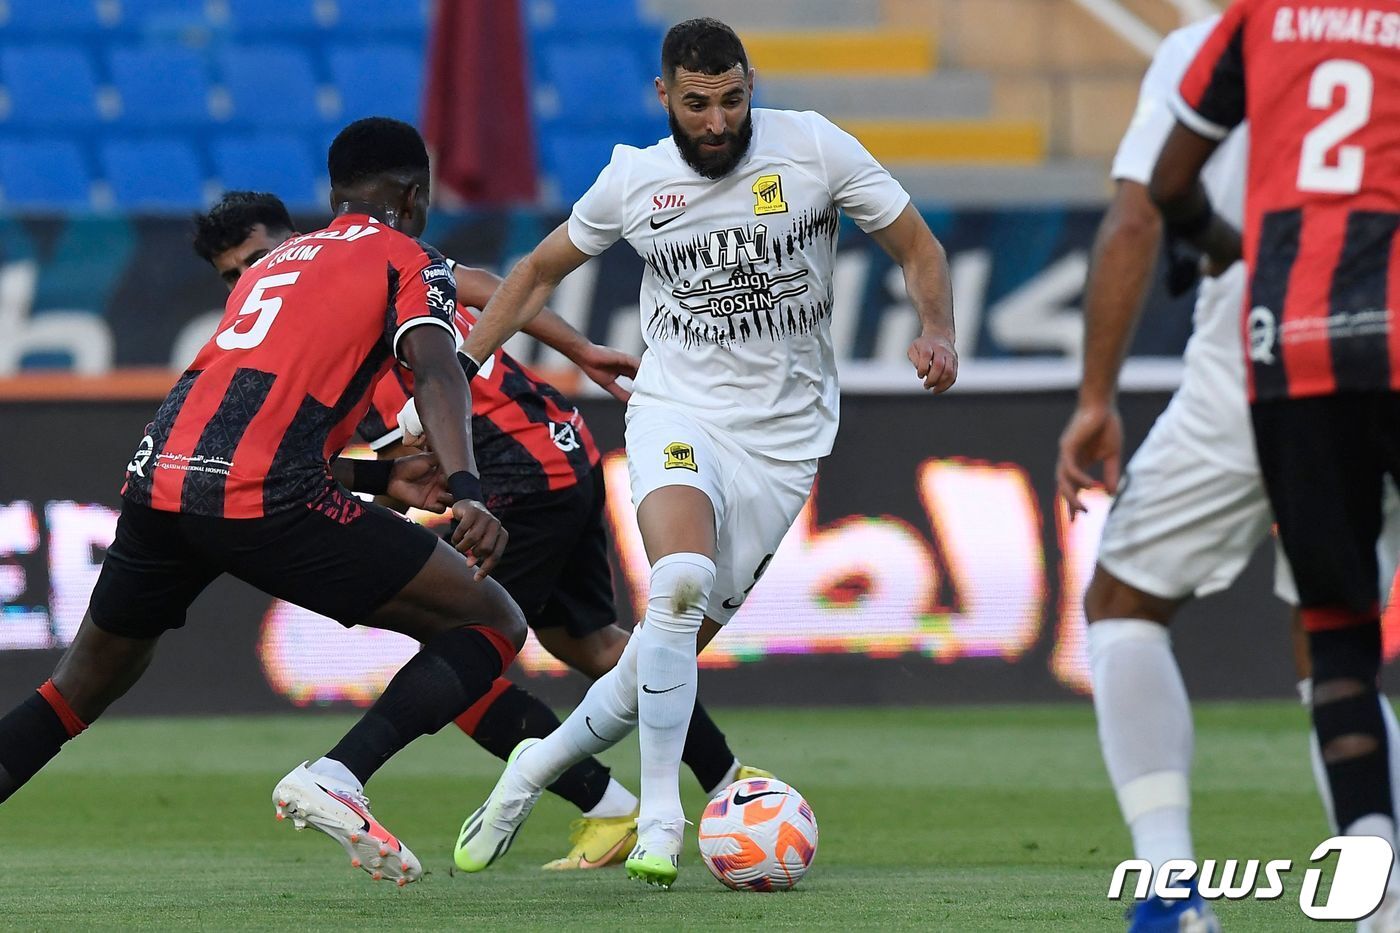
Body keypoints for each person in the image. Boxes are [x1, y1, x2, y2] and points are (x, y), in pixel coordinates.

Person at [452, 17, 958, 888]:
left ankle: (529, 771)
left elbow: (916, 244)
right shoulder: (634, 180)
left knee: (662, 651)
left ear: (749, 82)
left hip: (786, 441)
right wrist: (463, 365)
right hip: (676, 409)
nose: (718, 121)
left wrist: (937, 328)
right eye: (698, 104)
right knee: (677, 579)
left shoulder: (814, 149)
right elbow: (535, 272)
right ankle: (659, 819)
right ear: (665, 98)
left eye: (731, 99)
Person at [0, 117, 522, 887]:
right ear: (414, 197)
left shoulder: (274, 264)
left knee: (83, 681)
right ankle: (339, 773)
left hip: (160, 476)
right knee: (492, 618)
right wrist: (468, 487)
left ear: (335, 194)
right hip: (260, 495)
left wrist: (381, 480)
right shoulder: (408, 257)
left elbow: (250, 419)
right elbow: (437, 369)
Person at [192, 191, 770, 871]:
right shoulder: (356, 281)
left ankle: (608, 804)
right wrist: (578, 349)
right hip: (562, 451)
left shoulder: (342, 282)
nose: (248, 279)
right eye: (232, 275)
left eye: (257, 258)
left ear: (294, 241)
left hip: (520, 478)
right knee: (593, 643)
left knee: (464, 650)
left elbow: (486, 291)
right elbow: (485, 290)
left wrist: (580, 349)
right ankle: (730, 780)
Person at [1058, 15, 1400, 931]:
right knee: (1338, 637)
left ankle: (1172, 888)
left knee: (1125, 602)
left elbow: (1141, 208)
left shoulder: (1230, 37)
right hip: (1394, 344)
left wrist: (1097, 396)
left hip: (1258, 348)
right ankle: (1382, 899)